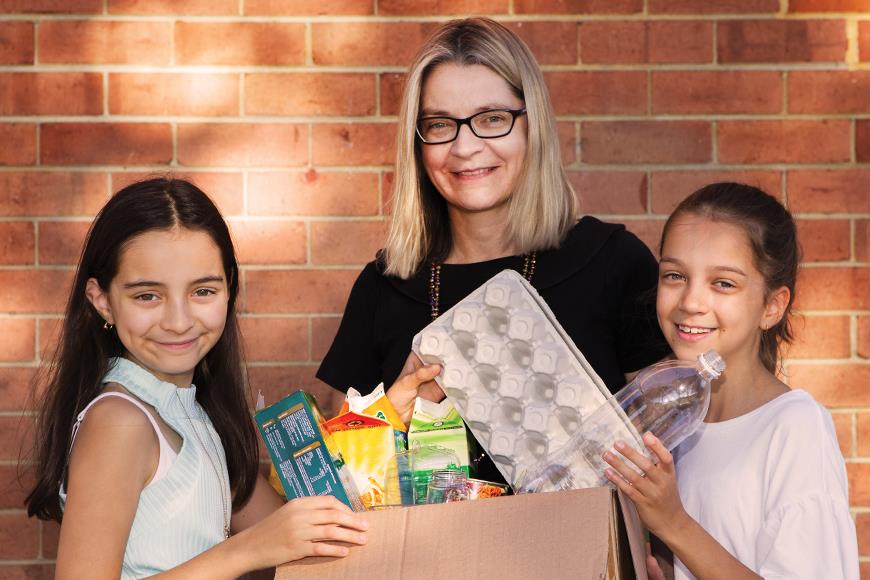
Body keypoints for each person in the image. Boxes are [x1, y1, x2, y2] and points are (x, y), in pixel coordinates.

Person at [317, 17, 670, 440]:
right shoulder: (385, 286)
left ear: (532, 125)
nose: (465, 148)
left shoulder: (613, 263)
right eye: (440, 125)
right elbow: (337, 463)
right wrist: (390, 417)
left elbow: (669, 442)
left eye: (491, 118)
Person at [25, 178, 368, 579]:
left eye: (202, 291)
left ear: (229, 291)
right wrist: (248, 550)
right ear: (102, 301)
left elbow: (309, 536)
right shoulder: (119, 421)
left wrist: (392, 414)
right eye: (147, 296)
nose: (179, 321)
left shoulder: (200, 414)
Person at [602, 182, 859, 579]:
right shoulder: (674, 428)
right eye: (674, 275)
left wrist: (673, 522)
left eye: (723, 283)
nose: (690, 302)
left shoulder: (794, 429)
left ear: (772, 306)